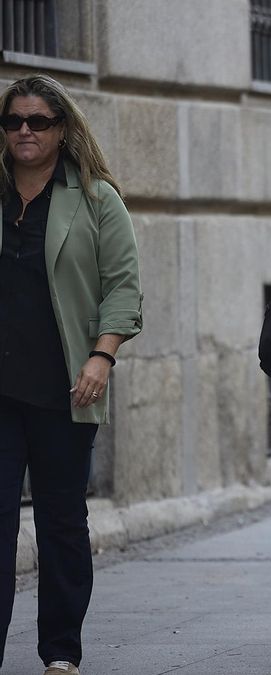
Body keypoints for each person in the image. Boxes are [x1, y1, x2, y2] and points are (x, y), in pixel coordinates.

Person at [0, 74, 142, 675]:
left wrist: (101, 356)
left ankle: (61, 653)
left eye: (38, 122)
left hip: (65, 389)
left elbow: (123, 288)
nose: (24, 132)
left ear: (62, 130)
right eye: (13, 122)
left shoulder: (95, 198)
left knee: (61, 524)